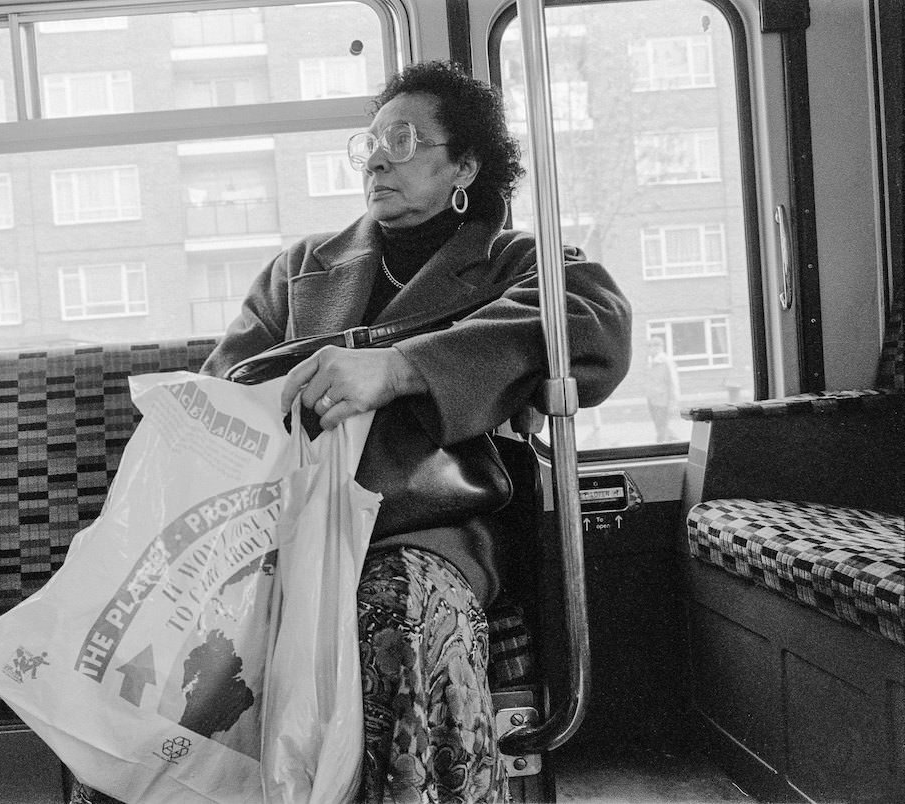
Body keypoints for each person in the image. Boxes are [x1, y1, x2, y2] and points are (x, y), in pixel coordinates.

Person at [70, 60, 630, 804]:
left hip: (428, 527)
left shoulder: (515, 262)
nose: (375, 156)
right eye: (368, 140)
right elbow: (225, 395)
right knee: (158, 639)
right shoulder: (301, 270)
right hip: (280, 527)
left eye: (401, 138)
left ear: (465, 163)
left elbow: (598, 330)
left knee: (391, 609)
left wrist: (398, 371)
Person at [644, 336, 680, 442]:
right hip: (653, 400)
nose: (649, 350)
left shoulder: (666, 362)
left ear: (658, 347)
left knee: (662, 428)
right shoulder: (652, 362)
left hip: (663, 401)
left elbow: (673, 383)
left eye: (650, 347)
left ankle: (661, 448)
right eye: (648, 347)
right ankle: (677, 444)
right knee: (661, 427)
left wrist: (673, 402)